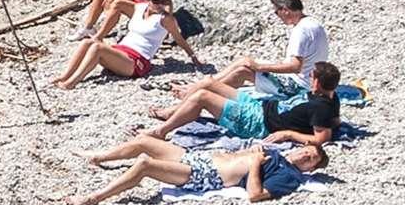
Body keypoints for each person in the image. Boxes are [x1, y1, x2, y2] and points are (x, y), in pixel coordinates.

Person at [112, 58, 343, 153]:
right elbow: (335, 121)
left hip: (257, 123)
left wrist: (287, 133)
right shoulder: (331, 99)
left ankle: (160, 132)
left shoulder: (322, 107)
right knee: (210, 82)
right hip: (259, 108)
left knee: (202, 96)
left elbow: (321, 139)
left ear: (316, 82)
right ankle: (175, 111)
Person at [60, 129, 330, 205]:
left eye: (309, 158)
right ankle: (98, 157)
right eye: (304, 150)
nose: (303, 154)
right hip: (202, 158)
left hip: (205, 177)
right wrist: (251, 153)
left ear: (309, 169)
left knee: (144, 164)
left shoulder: (289, 177)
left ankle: (94, 197)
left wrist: (256, 165)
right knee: (145, 141)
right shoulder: (278, 154)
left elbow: (256, 194)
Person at [172, 0, 335, 112]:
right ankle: (200, 86)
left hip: (299, 86)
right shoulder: (313, 23)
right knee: (244, 62)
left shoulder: (300, 31)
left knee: (242, 71)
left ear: (285, 10)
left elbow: (295, 66)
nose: (277, 16)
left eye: (277, 12)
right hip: (308, 80)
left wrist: (259, 67)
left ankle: (197, 90)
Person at [52, 0, 186, 90]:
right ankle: (65, 75)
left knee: (97, 47)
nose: (156, 3)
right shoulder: (140, 8)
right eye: (153, 0)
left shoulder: (164, 18)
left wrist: (193, 56)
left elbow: (179, 36)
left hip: (137, 60)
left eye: (158, 1)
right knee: (88, 41)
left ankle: (72, 83)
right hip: (123, 50)